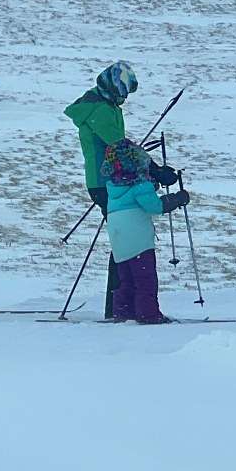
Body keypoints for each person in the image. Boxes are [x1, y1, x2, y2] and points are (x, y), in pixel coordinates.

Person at [64, 62, 178, 315]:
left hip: (110, 181)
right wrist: (154, 169)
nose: (124, 98)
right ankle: (126, 307)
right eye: (123, 92)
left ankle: (122, 307)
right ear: (112, 87)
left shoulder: (103, 106)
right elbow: (120, 147)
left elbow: (121, 148)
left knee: (123, 241)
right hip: (108, 183)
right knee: (128, 242)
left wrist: (149, 168)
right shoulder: (99, 110)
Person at [100, 139, 189, 324]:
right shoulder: (140, 186)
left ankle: (123, 312)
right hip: (138, 238)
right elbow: (155, 206)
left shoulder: (113, 187)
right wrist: (177, 199)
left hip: (118, 236)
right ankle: (148, 314)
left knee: (126, 277)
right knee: (145, 278)